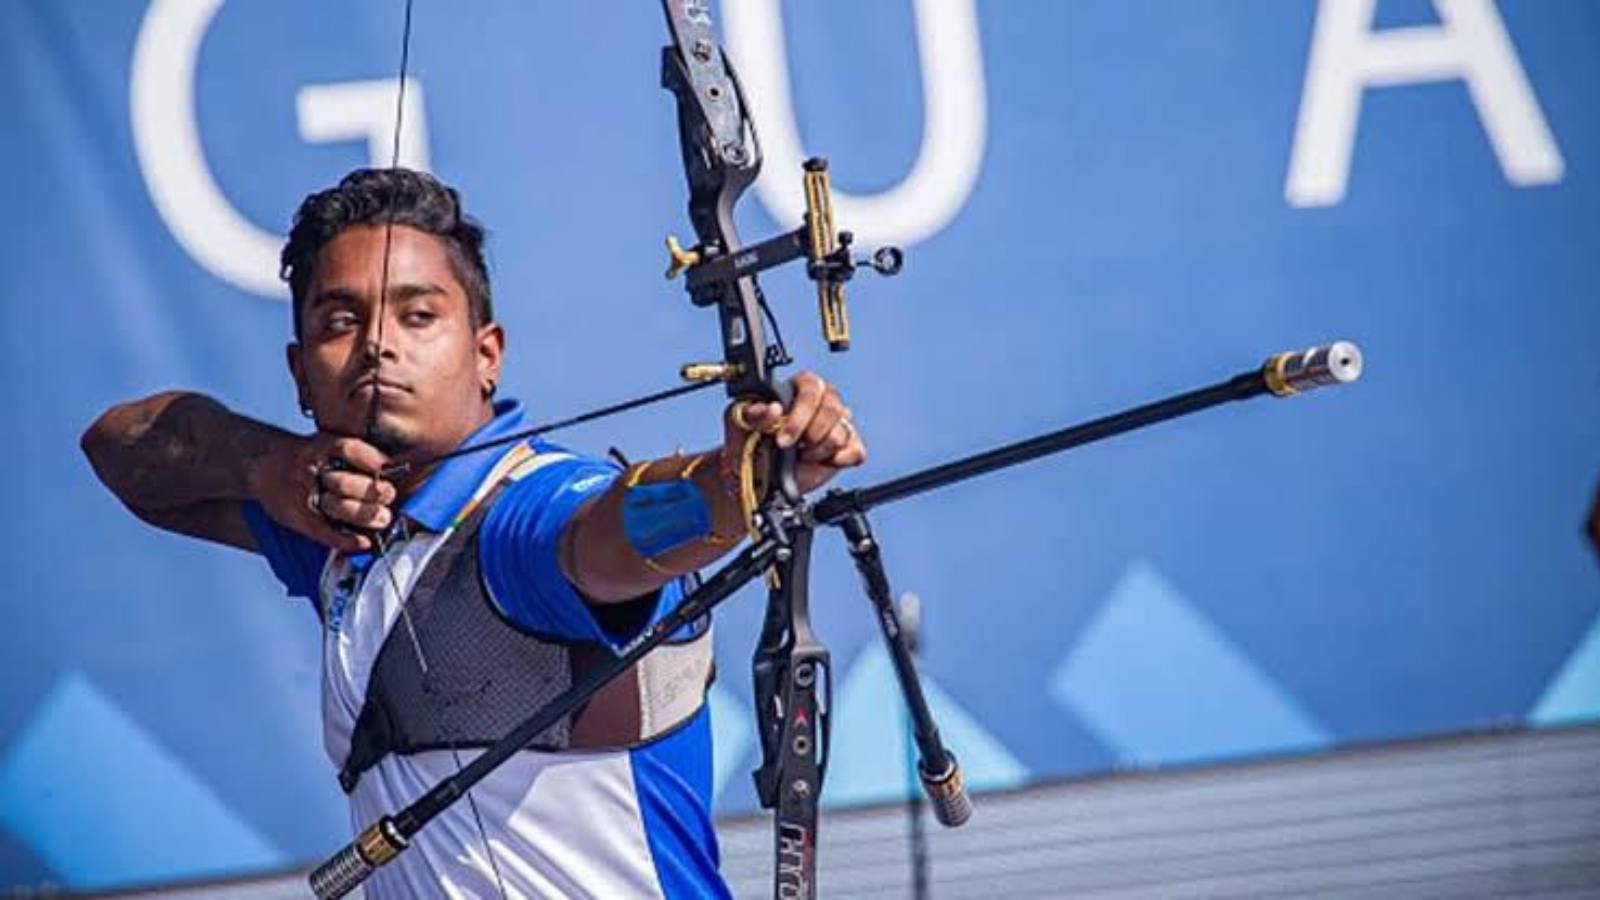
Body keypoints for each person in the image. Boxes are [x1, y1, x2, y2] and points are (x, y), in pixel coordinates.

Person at [80, 168, 865, 898]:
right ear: (298, 372)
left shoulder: (521, 518)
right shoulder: (335, 524)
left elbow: (615, 531)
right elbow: (120, 449)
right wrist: (272, 468)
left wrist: (742, 478)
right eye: (341, 321)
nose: (379, 344)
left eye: (419, 314)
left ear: (487, 355)